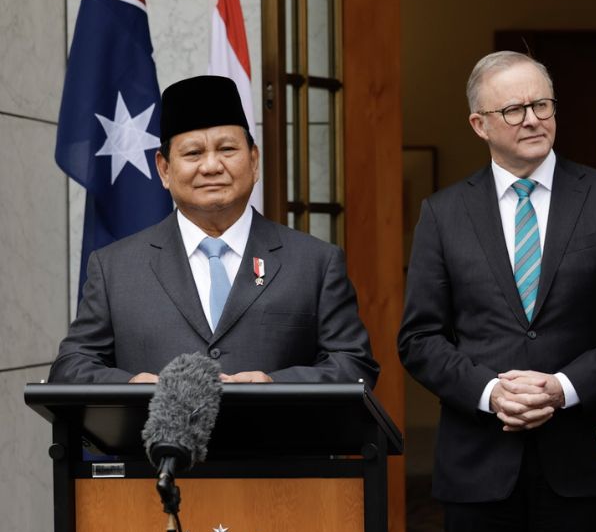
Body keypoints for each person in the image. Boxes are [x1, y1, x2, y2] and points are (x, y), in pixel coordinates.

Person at [398, 51, 596, 532]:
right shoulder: (443, 213)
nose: (533, 118)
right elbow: (419, 337)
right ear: (479, 124)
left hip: (580, 462)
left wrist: (564, 388)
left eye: (542, 104)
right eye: (514, 108)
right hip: (480, 466)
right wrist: (489, 392)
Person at [50, 75, 378, 387]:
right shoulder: (115, 268)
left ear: (254, 160)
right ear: (164, 169)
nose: (211, 166)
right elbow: (70, 367)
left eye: (227, 150)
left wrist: (276, 384)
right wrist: (131, 387)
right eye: (193, 153)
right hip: (156, 444)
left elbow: (355, 364)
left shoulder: (316, 262)